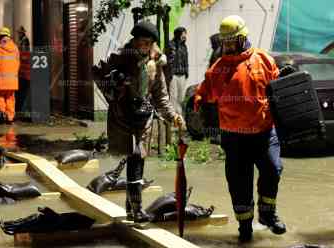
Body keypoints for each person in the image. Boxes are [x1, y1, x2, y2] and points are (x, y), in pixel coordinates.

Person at [194, 15, 286, 242]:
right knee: (239, 182)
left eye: (231, 41)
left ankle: (267, 214)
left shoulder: (263, 59)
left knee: (273, 169)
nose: (227, 46)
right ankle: (245, 226)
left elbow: (279, 90)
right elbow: (204, 94)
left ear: (243, 38)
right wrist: (199, 102)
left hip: (264, 133)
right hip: (234, 138)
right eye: (224, 42)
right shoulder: (218, 69)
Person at [93, 21, 184, 223]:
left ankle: (133, 209)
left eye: (148, 43)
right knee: (133, 156)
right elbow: (99, 76)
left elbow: (160, 95)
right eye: (141, 42)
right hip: (122, 118)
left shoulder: (156, 63)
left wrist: (173, 116)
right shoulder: (119, 58)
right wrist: (115, 85)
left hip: (143, 119)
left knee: (137, 160)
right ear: (134, 41)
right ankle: (136, 209)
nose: (144, 46)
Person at [0, 27, 20, 124]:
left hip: (2, 80)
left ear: (1, 36)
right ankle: (10, 118)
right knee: (10, 98)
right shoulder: (15, 48)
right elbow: (18, 63)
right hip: (13, 80)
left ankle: (2, 115)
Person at [165, 27, 189, 115]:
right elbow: (169, 60)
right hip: (173, 75)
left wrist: (187, 72)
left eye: (185, 34)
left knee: (181, 98)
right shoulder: (171, 45)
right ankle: (173, 118)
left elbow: (186, 60)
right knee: (173, 97)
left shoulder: (184, 46)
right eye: (183, 34)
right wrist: (169, 74)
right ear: (178, 34)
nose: (185, 36)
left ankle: (180, 118)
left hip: (182, 74)